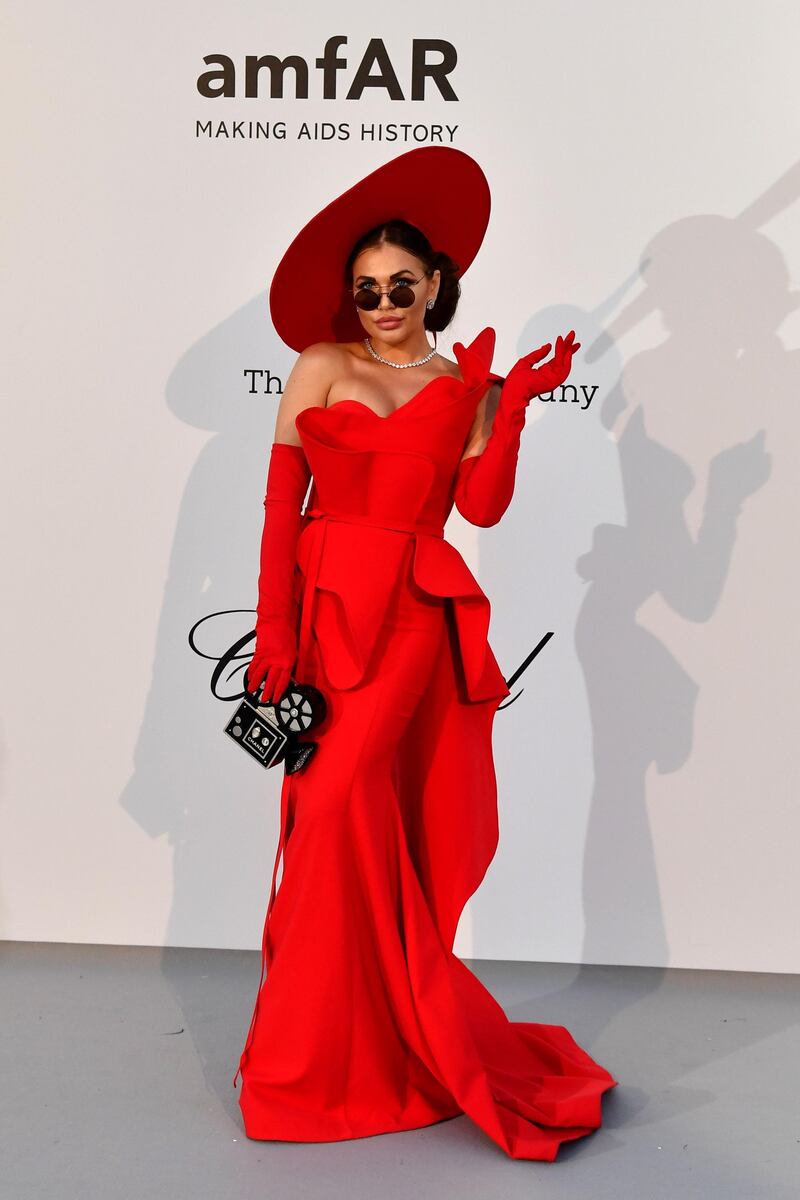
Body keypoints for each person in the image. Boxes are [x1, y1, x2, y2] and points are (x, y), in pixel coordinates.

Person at [232, 147, 617, 1161]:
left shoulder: (463, 384)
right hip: (320, 614)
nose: (382, 304)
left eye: (401, 286)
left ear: (436, 285)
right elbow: (281, 509)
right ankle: (323, 1052)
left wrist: (511, 406)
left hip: (408, 615)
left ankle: (333, 1060)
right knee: (327, 821)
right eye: (365, 291)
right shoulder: (320, 366)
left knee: (341, 810)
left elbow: (479, 507)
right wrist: (274, 632)